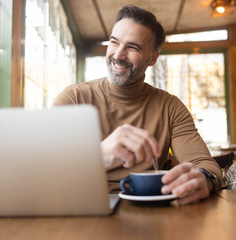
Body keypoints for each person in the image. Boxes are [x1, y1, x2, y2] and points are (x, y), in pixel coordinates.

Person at [53, 5, 223, 205]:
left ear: (152, 58)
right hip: (82, 205)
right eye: (114, 42)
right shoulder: (74, 98)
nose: (118, 55)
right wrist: (97, 155)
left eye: (132, 47)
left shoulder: (170, 107)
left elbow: (206, 165)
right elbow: (40, 164)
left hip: (148, 208)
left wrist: (204, 178)